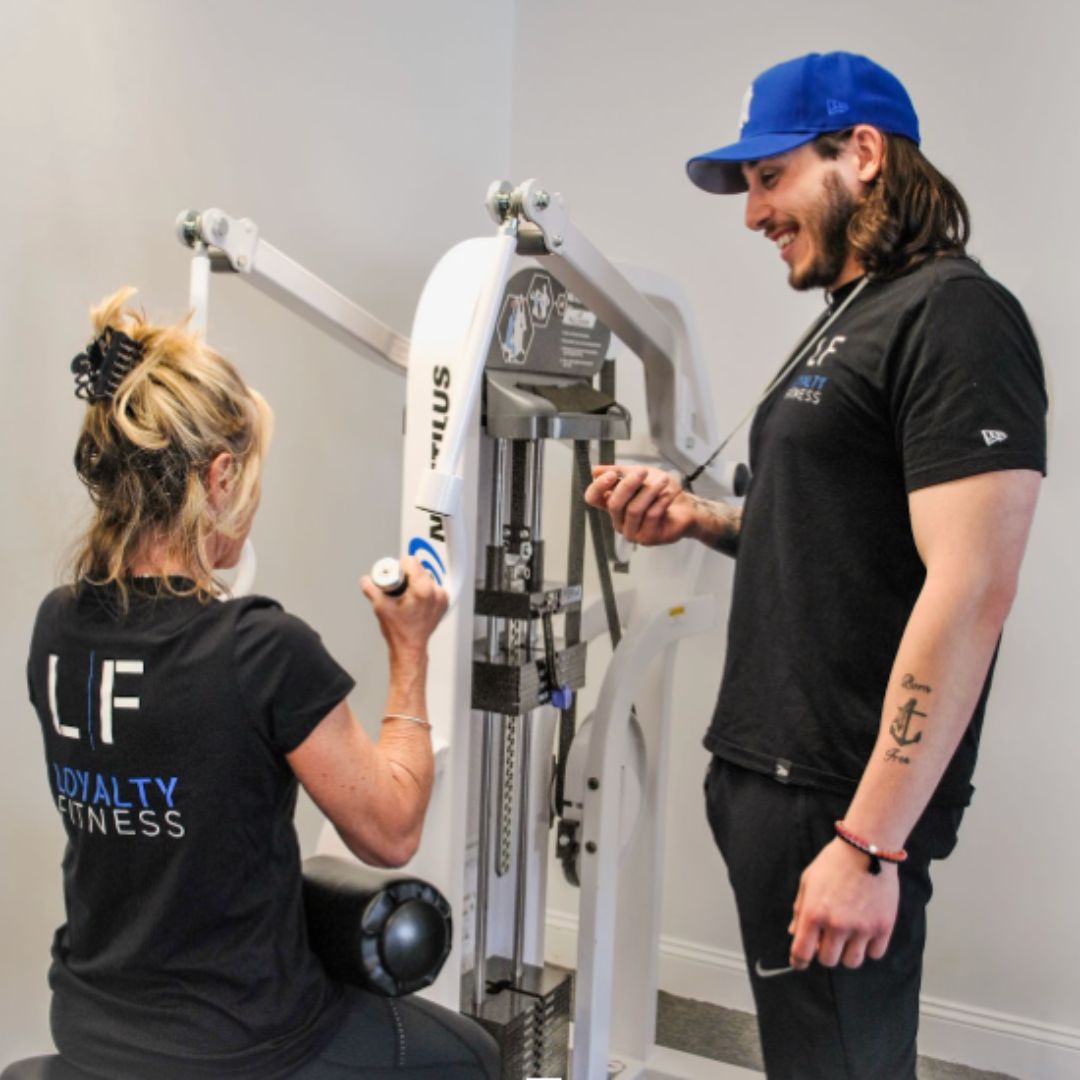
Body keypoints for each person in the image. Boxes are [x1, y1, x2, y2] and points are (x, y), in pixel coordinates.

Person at [585, 51, 1046, 1079]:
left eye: (769, 178)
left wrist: (872, 844)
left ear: (864, 155)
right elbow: (837, 526)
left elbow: (971, 586)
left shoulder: (957, 316)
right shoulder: (848, 316)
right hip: (765, 773)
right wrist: (701, 517)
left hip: (839, 795)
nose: (753, 214)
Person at [27, 289, 499, 1080]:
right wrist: (410, 652)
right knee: (474, 1056)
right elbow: (389, 831)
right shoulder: (260, 649)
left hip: (88, 1019)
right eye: (247, 478)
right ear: (217, 477)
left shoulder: (58, 622)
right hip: (237, 1041)